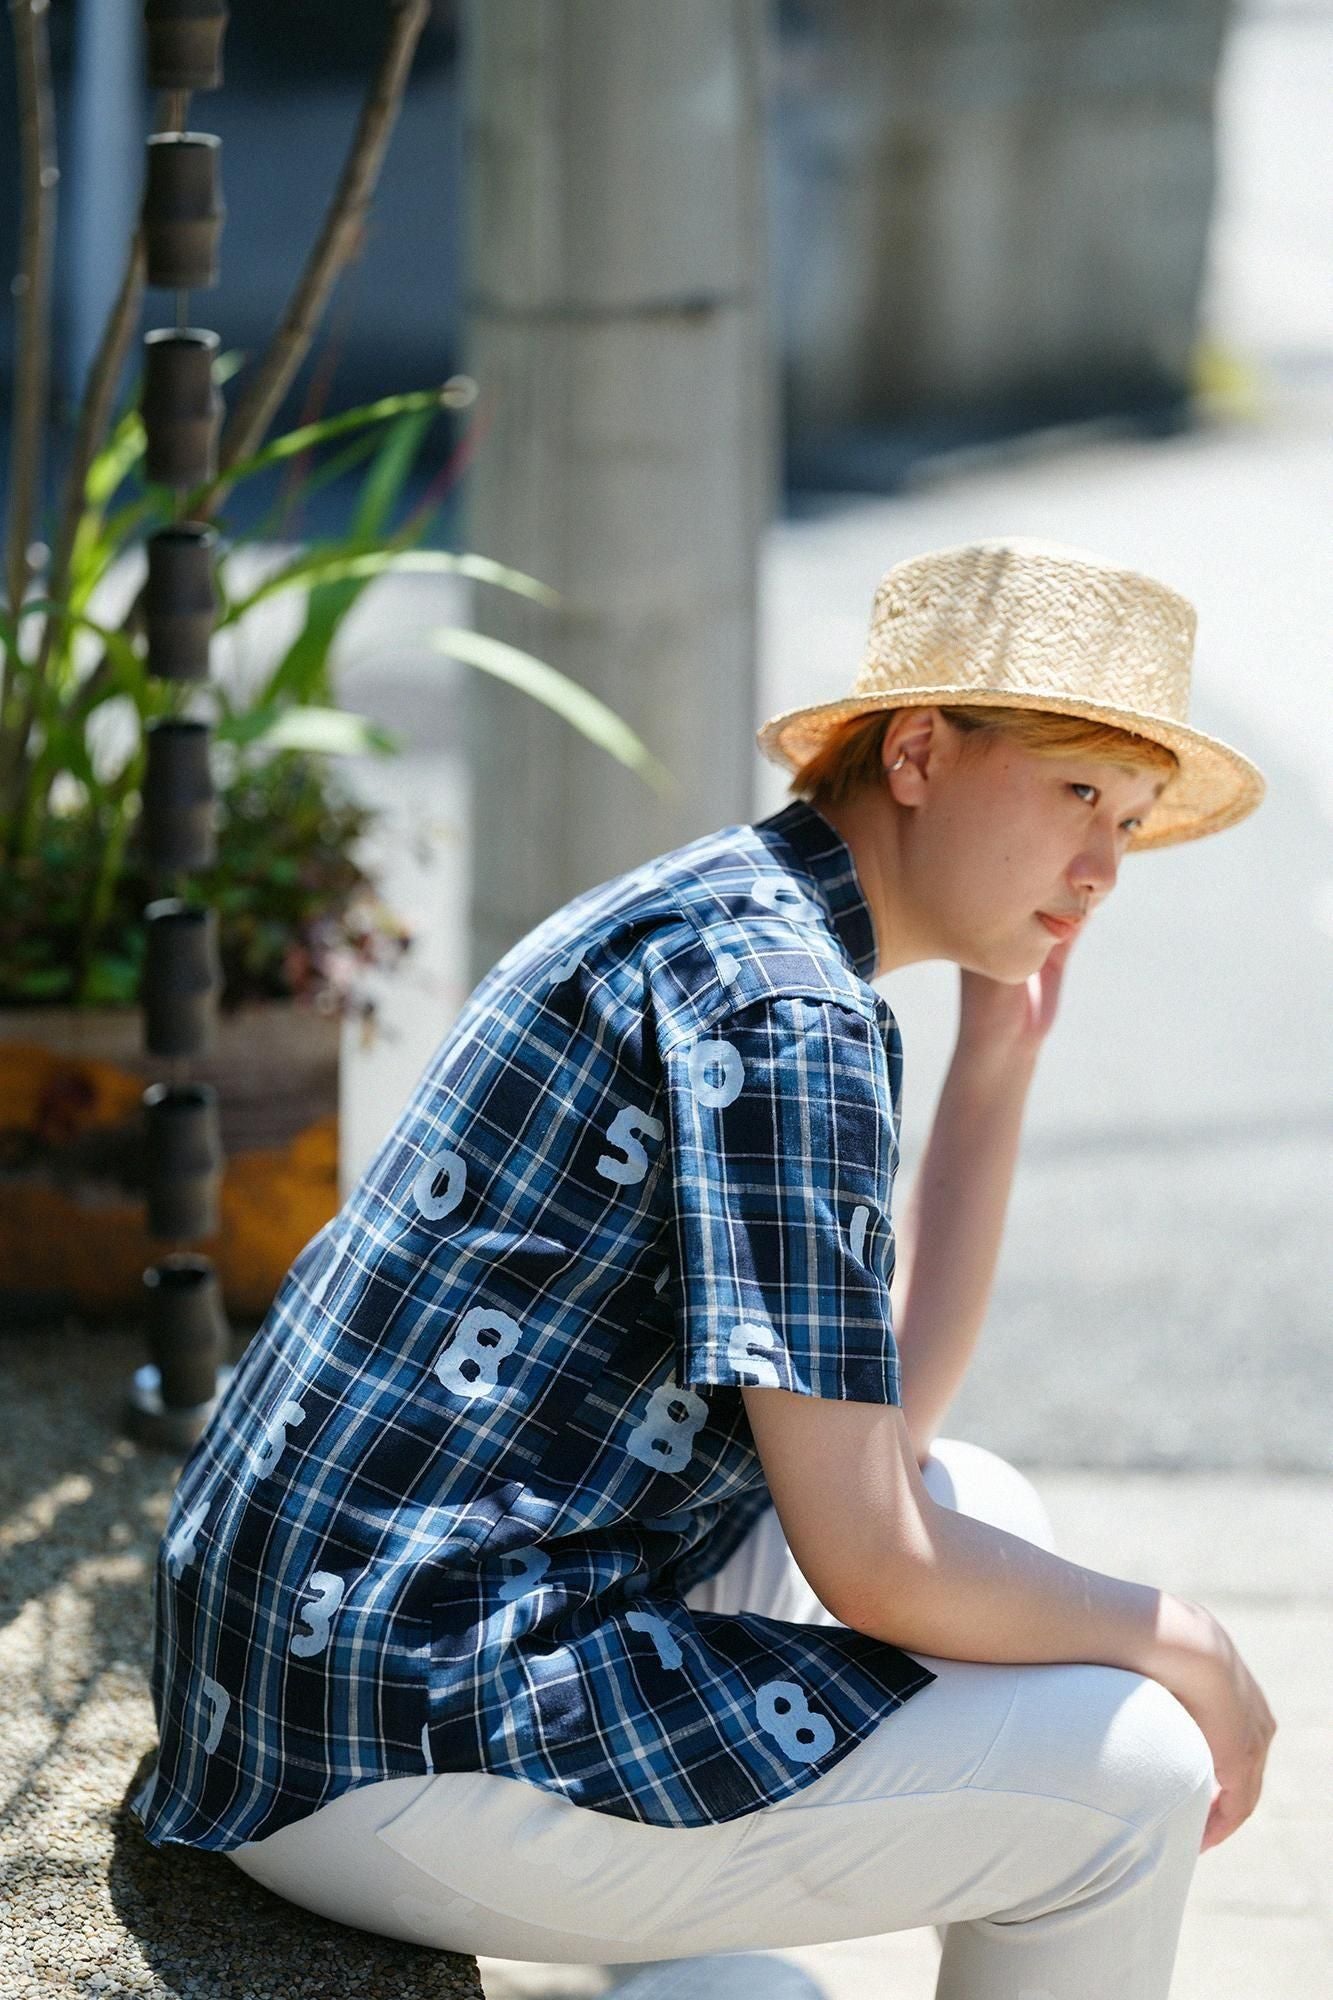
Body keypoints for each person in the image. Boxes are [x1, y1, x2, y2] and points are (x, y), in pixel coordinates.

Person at [131, 537, 1276, 1999]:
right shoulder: (789, 1011)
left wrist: (996, 1063)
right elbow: (871, 1564)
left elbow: (883, 1447)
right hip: (395, 1730)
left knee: (976, 1500)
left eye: (1127, 818)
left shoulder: (729, 914)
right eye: (1076, 793)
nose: (1104, 866)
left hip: (307, 1661)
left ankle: (702, 1975)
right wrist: (1186, 1643)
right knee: (1134, 1775)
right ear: (915, 751)